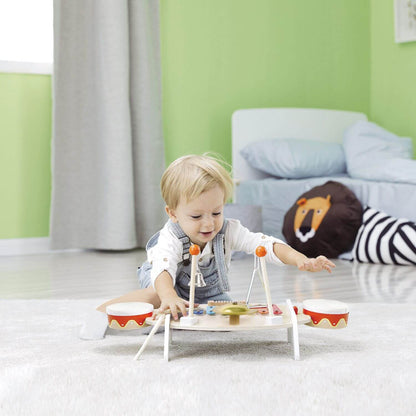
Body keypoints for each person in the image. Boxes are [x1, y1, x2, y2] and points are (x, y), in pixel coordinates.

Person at [96, 154, 335, 322]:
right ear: (173, 213)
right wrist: (169, 297)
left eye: (217, 212)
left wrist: (301, 259)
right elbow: (163, 268)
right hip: (167, 285)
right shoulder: (170, 238)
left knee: (228, 315)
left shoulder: (228, 230)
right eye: (197, 215)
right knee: (155, 297)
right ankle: (102, 312)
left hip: (207, 295)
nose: (209, 223)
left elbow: (265, 244)